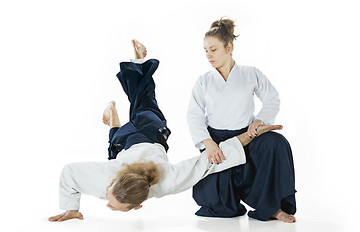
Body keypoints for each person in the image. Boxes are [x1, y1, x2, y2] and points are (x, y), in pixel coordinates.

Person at [48, 40, 283, 222]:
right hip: (149, 132)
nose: (106, 203)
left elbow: (70, 173)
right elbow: (210, 162)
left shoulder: (107, 177)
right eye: (111, 203)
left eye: (108, 199)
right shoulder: (164, 181)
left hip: (125, 143)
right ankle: (137, 66)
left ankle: (122, 100)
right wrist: (251, 134)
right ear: (138, 205)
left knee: (121, 137)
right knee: (142, 103)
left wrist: (71, 207)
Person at [187, 18, 297, 223]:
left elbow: (272, 98)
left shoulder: (250, 73)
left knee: (276, 143)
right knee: (221, 205)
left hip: (249, 136)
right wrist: (208, 143)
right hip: (218, 142)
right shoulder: (204, 80)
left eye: (213, 49)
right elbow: (194, 114)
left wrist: (260, 121)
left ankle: (272, 207)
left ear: (228, 47)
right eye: (205, 51)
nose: (208, 55)